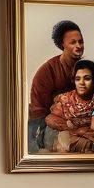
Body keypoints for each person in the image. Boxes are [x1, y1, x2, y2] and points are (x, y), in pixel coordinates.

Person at [28, 19, 85, 153]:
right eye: (73, 42)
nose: (78, 46)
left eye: (81, 41)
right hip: (48, 126)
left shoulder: (86, 69)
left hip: (80, 125)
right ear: (62, 44)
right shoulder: (46, 71)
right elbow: (38, 113)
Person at [45, 59, 94, 154]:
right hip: (67, 140)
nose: (81, 83)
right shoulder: (65, 99)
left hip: (92, 141)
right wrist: (76, 130)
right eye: (78, 79)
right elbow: (51, 119)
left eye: (87, 78)